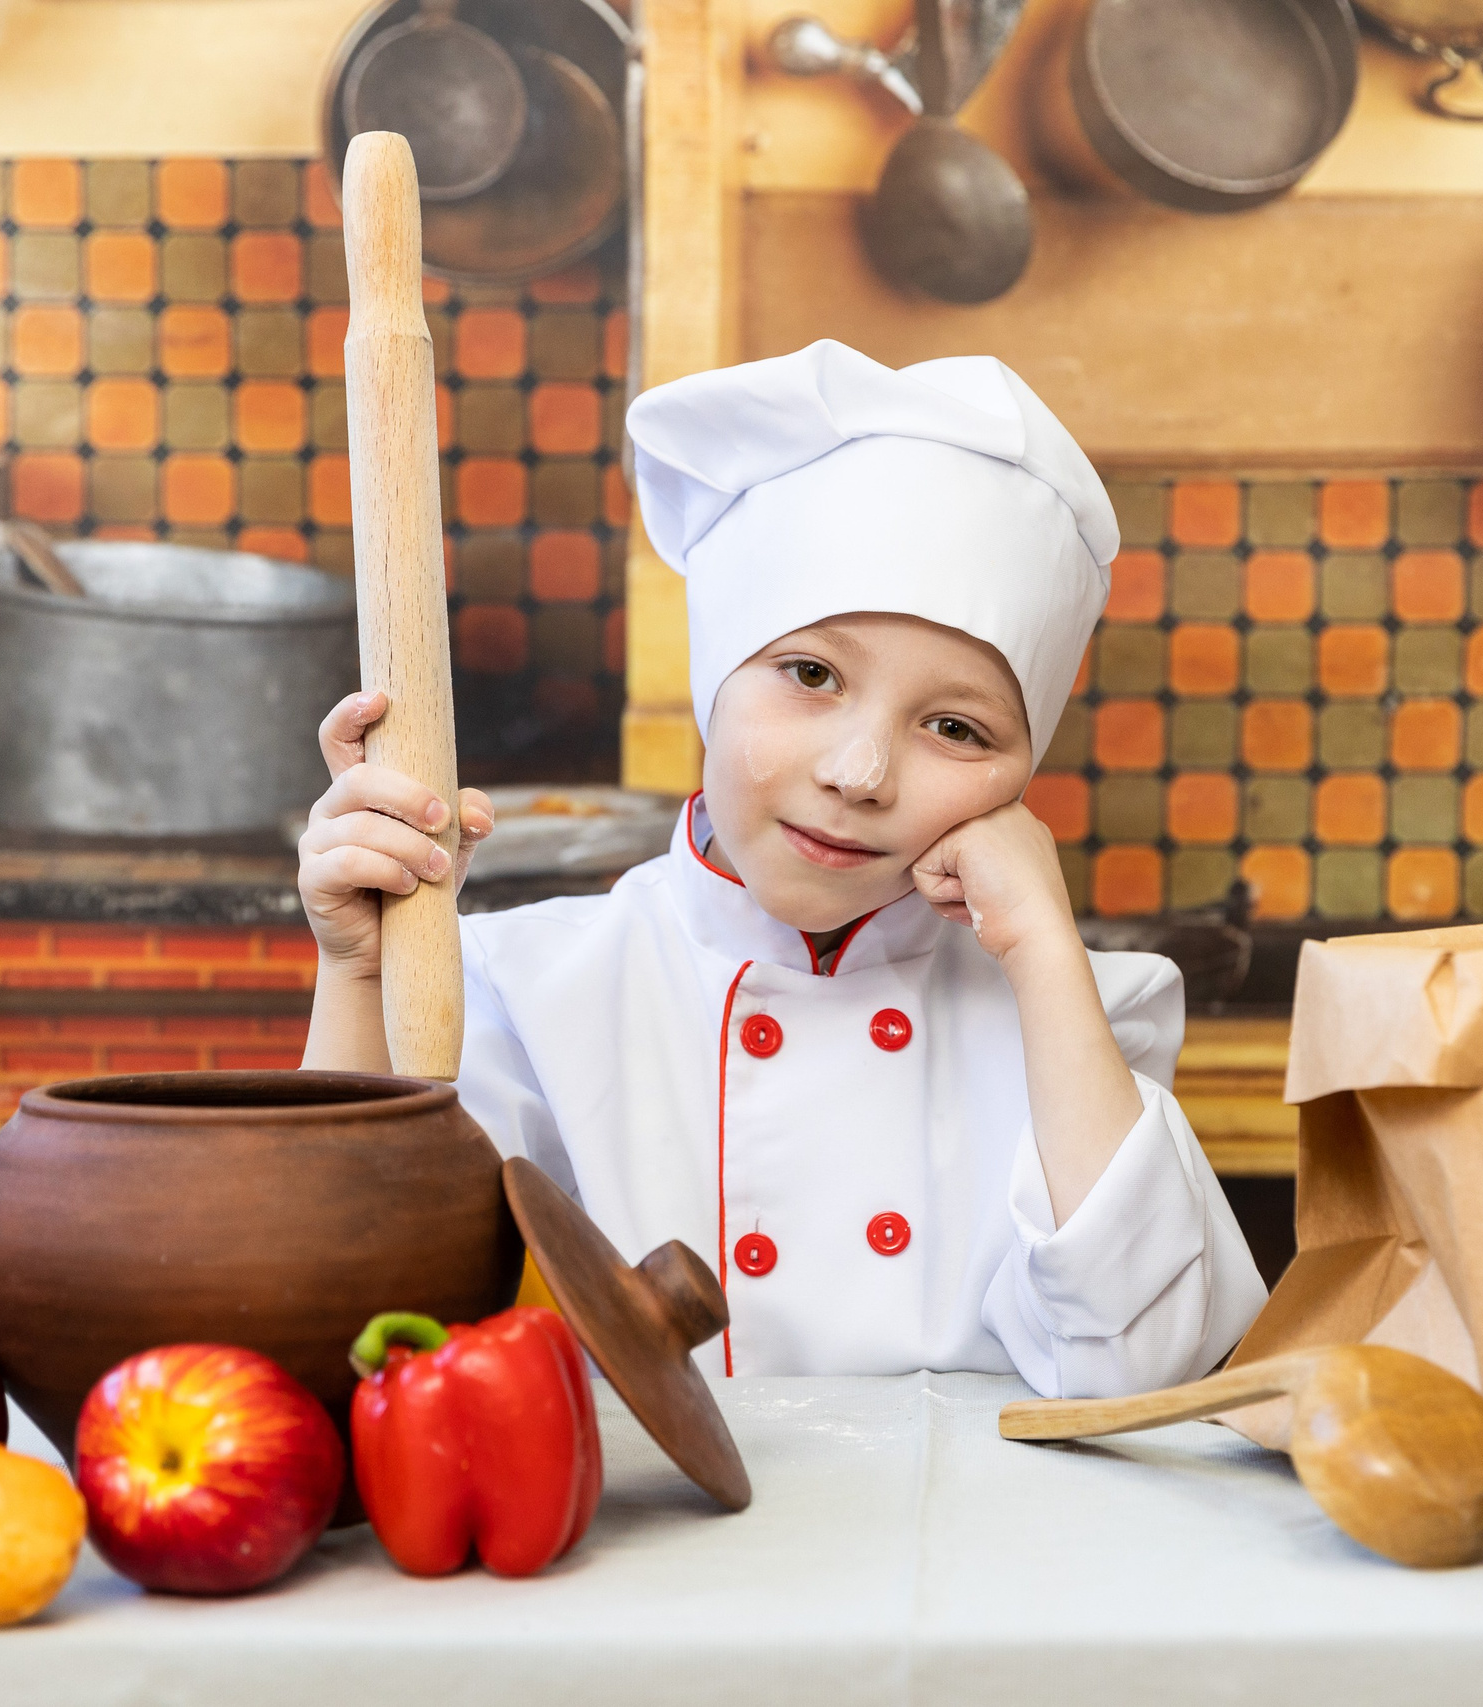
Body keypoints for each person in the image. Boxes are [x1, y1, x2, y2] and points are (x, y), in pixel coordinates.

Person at [298, 339, 1264, 1397]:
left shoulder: (1079, 1016)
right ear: (715, 676)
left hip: (983, 1557)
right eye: (810, 673)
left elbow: (1144, 1365)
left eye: (954, 726)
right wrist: (359, 974)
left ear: (1017, 779)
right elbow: (353, 1315)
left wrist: (1043, 954)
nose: (858, 773)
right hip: (642, 1554)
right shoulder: (522, 985)